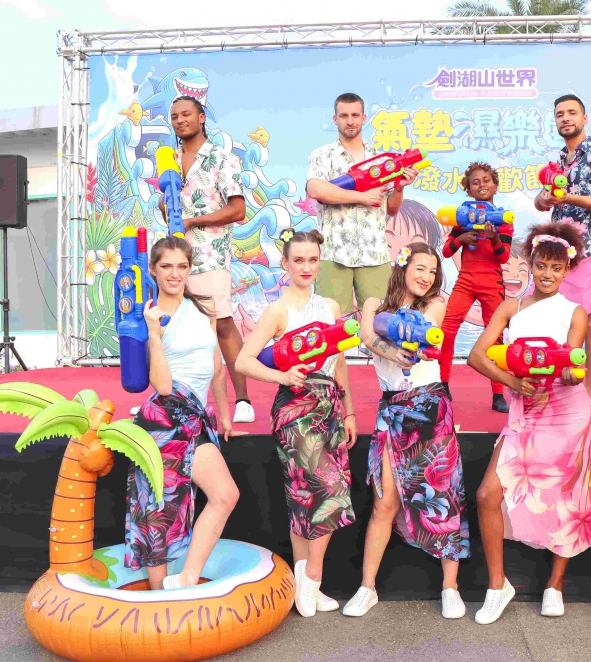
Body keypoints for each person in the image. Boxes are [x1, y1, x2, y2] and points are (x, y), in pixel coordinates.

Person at [467, 223, 591, 625]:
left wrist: (570, 374)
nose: (547, 274)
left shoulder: (575, 312)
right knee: (487, 493)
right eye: (541, 266)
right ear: (530, 264)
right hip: (525, 411)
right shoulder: (512, 307)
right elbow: (476, 355)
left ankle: (554, 585)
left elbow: (572, 364)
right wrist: (512, 382)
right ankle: (497, 585)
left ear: (567, 269)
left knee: (566, 498)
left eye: (556, 268)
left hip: (567, 413)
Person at [235, 229, 358, 617]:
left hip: (330, 405)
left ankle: (304, 583)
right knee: (327, 490)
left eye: (312, 260)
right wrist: (282, 376)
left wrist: (349, 411)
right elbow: (243, 360)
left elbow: (339, 363)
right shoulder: (277, 311)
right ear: (285, 263)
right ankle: (312, 578)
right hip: (296, 409)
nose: (306, 267)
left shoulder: (331, 307)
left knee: (305, 499)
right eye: (299, 260)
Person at [343, 242, 469, 619]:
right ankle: (367, 588)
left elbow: (425, 333)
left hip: (430, 406)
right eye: (420, 268)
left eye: (432, 271)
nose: (426, 277)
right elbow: (368, 337)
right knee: (384, 502)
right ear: (402, 267)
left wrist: (409, 346)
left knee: (444, 497)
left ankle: (451, 587)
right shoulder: (373, 304)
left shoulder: (435, 304)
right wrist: (390, 351)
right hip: (393, 411)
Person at [125, 235, 243, 590]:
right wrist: (154, 334)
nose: (174, 274)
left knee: (225, 495)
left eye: (181, 266)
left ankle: (187, 578)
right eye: (166, 266)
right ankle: (158, 596)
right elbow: (161, 385)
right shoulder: (147, 316)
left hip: (195, 414)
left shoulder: (204, 311)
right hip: (165, 415)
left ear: (190, 269)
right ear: (153, 269)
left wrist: (224, 416)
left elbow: (217, 370)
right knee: (158, 509)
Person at [164, 96, 254, 423]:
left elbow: (238, 209)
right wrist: (168, 206)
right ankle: (173, 399)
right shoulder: (170, 160)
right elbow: (168, 207)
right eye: (174, 116)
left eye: (186, 114)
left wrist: (192, 221)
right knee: (178, 327)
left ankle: (243, 401)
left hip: (210, 254)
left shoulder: (221, 157)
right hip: (177, 257)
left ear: (201, 117)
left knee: (223, 325)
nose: (180, 120)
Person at [534, 95, 591, 412]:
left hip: (587, 249)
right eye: (560, 114)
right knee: (550, 315)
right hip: (556, 250)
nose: (565, 118)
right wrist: (544, 199)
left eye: (572, 113)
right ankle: (553, 384)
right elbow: (541, 201)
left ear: (585, 119)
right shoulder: (558, 160)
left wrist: (570, 197)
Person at [306, 93, 419, 316]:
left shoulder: (381, 159)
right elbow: (316, 190)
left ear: (364, 118)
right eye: (344, 116)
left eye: (355, 115)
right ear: (335, 119)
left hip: (374, 252)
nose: (350, 121)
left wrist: (399, 187)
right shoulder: (322, 155)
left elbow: (392, 208)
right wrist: (362, 197)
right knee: (331, 321)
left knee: (381, 320)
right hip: (333, 252)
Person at [439, 162, 513, 413]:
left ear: (495, 185)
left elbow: (504, 257)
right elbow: (446, 252)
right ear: (468, 190)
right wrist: (460, 238)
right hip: (466, 281)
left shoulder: (503, 219)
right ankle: (443, 385)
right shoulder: (462, 218)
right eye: (475, 182)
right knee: (447, 331)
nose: (482, 185)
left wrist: (494, 239)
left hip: (492, 283)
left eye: (486, 180)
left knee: (495, 337)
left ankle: (498, 395)